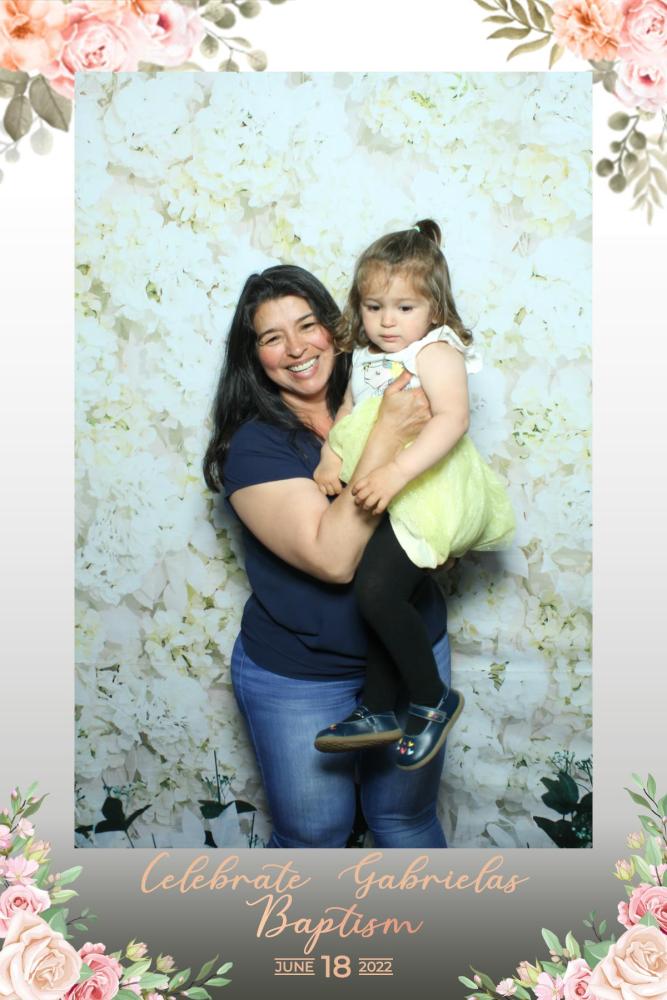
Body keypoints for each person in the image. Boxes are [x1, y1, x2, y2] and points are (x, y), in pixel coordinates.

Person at [203, 264, 452, 848]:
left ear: (336, 330)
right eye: (272, 337)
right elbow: (334, 559)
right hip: (300, 675)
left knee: (405, 820)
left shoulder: (388, 383)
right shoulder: (253, 445)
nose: (296, 348)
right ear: (254, 357)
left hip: (409, 655)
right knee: (315, 837)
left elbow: (449, 487)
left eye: (307, 325)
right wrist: (386, 434)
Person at [313, 221, 514, 770]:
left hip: (426, 489)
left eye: (404, 307)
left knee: (376, 594)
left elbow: (453, 419)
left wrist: (397, 472)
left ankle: (431, 698)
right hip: (384, 493)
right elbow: (349, 414)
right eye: (374, 307)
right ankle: (378, 709)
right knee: (382, 599)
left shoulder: (435, 351)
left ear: (434, 307)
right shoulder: (365, 357)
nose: (387, 321)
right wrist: (330, 457)